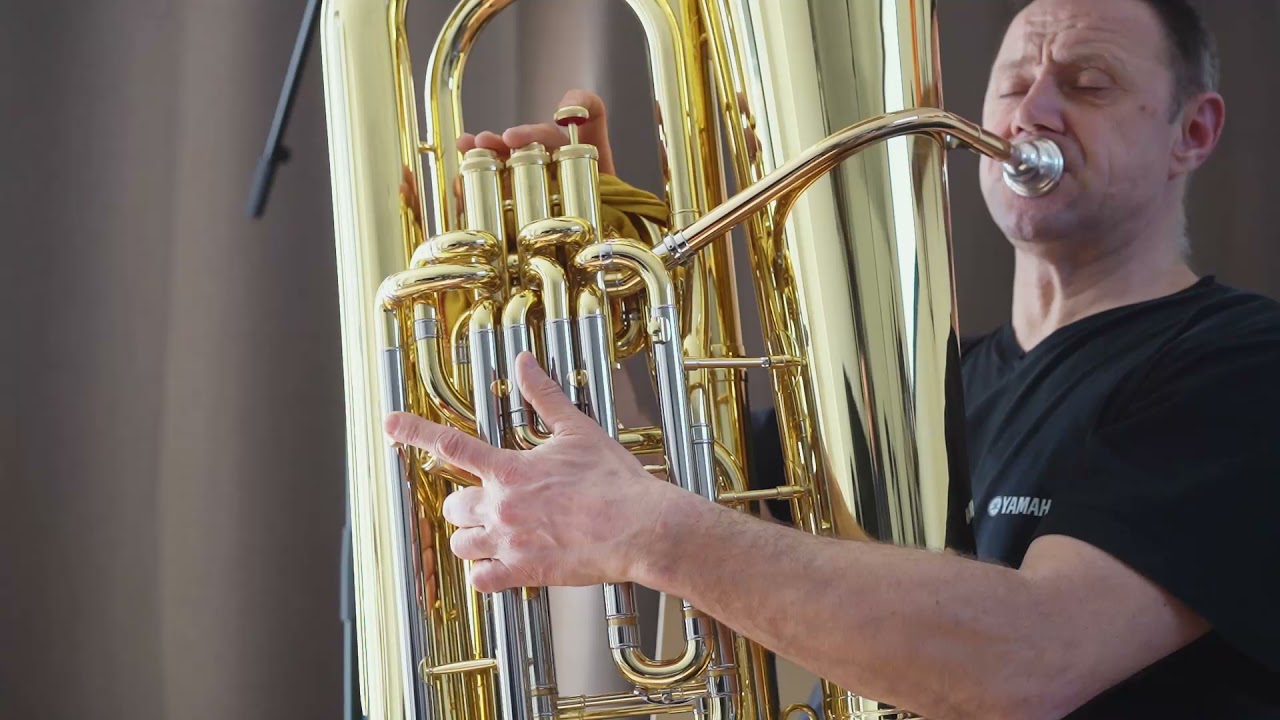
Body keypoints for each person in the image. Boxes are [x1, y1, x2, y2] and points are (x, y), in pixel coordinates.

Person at [385, 0, 1280, 716]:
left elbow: (1030, 661)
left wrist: (647, 532)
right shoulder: (933, 387)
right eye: (1012, 84)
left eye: (1085, 82)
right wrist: (592, 291)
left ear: (1192, 133)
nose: (1030, 111)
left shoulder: (1241, 367)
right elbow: (712, 505)